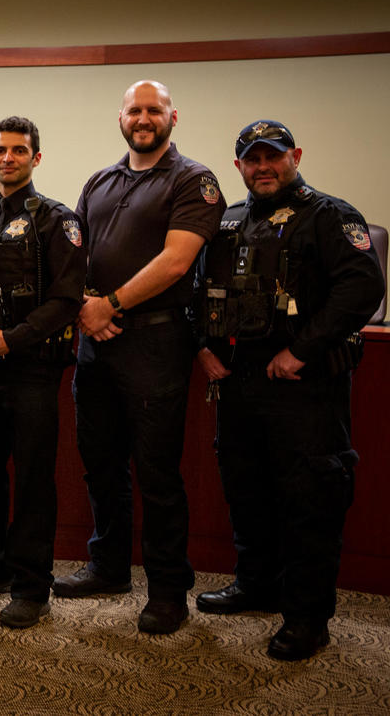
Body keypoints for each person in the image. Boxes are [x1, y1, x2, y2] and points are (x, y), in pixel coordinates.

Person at [194, 120, 382, 660]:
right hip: (238, 379)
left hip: (305, 382)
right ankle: (256, 584)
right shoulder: (226, 220)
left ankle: (306, 618)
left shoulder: (329, 215)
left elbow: (363, 286)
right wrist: (201, 347)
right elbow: (198, 287)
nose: (262, 167)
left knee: (310, 500)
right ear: (238, 167)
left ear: (295, 156)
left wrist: (302, 348)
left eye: (272, 156)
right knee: (246, 489)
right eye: (251, 160)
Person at [58, 80, 226, 635]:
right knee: (101, 465)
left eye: (154, 109)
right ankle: (108, 568)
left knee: (156, 473)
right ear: (122, 116)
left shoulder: (192, 179)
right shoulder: (100, 181)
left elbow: (177, 262)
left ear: (173, 116)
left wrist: (109, 304)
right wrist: (88, 306)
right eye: (135, 109)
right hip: (95, 345)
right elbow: (76, 255)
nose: (144, 117)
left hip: (155, 345)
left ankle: (167, 589)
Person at [0, 116, 86, 629]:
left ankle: (32, 585)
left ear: (36, 158)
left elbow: (67, 299)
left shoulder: (59, 220)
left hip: (32, 368)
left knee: (33, 478)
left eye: (18, 150)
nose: (7, 157)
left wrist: (11, 339)